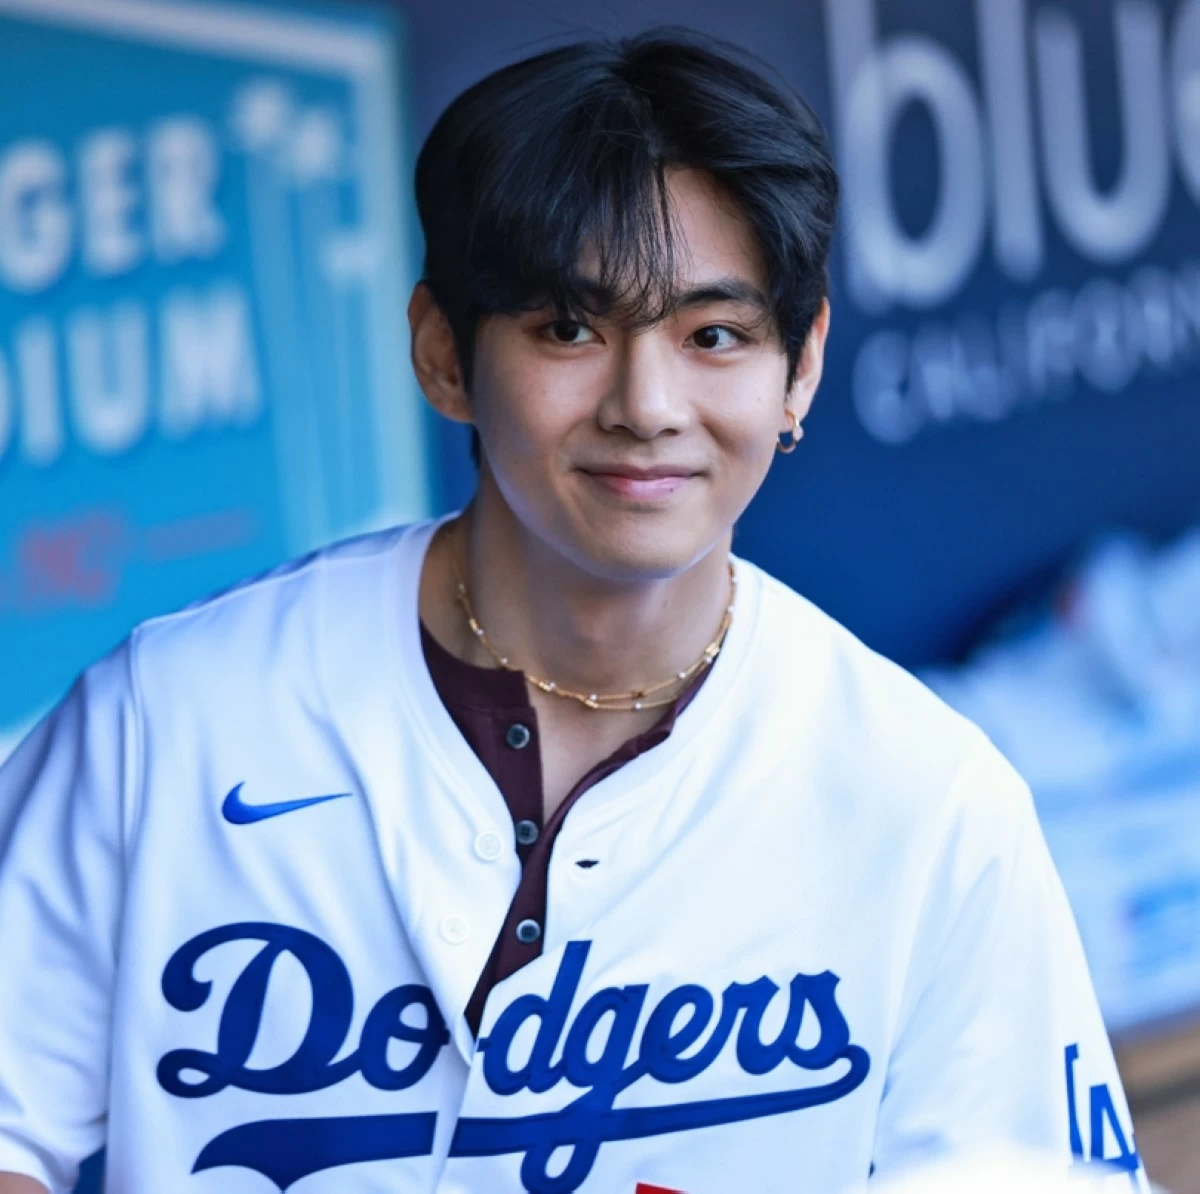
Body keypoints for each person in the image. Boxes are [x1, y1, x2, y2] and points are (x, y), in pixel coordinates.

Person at [0, 28, 1146, 1194]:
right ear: (444, 354)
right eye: (569, 329)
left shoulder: (928, 796)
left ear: (799, 367)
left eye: (713, 336)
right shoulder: (169, 722)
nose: (646, 406)